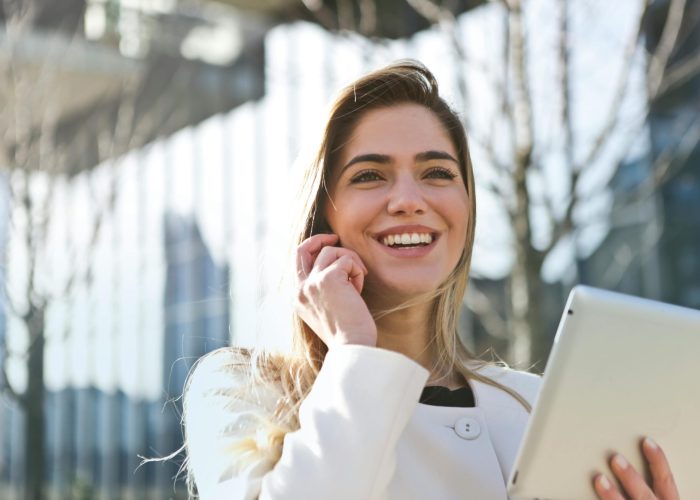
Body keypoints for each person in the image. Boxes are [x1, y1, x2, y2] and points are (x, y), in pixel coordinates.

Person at [182, 60, 679, 500]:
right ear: (321, 217)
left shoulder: (535, 406)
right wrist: (355, 351)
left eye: (437, 173)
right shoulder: (238, 390)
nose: (408, 199)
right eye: (370, 175)